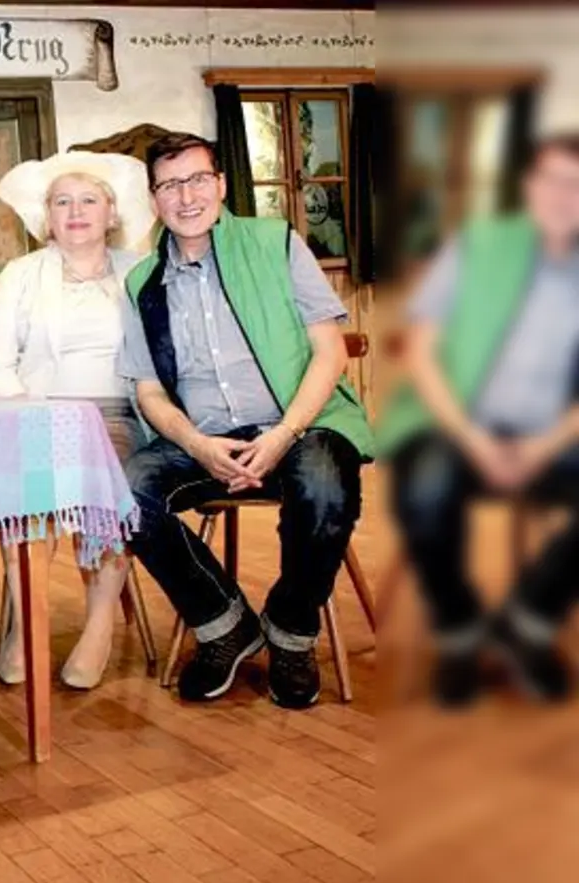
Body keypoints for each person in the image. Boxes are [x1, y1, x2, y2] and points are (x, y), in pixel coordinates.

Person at [117, 132, 373, 710]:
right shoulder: (142, 283)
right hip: (204, 437)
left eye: (198, 179)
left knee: (326, 482)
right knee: (126, 493)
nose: (186, 196)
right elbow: (151, 391)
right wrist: (199, 445)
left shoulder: (276, 242)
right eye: (170, 184)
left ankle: (289, 628)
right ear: (153, 198)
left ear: (222, 184)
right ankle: (224, 623)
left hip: (299, 424)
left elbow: (330, 354)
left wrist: (283, 435)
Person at [383, 132, 579, 707]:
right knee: (425, 491)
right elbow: (420, 351)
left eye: (575, 185)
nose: (562, 196)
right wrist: (473, 440)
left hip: (552, 434)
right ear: (529, 187)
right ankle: (461, 630)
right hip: (455, 422)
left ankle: (528, 623)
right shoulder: (478, 246)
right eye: (551, 181)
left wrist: (544, 446)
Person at [0, 150, 156, 689]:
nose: (75, 212)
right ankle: (25, 622)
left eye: (88, 200)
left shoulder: (141, 273)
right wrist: (33, 415)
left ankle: (99, 624)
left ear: (112, 212)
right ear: (46, 218)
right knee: (23, 494)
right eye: (62, 202)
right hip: (39, 414)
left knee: (112, 488)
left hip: (120, 416)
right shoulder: (21, 274)